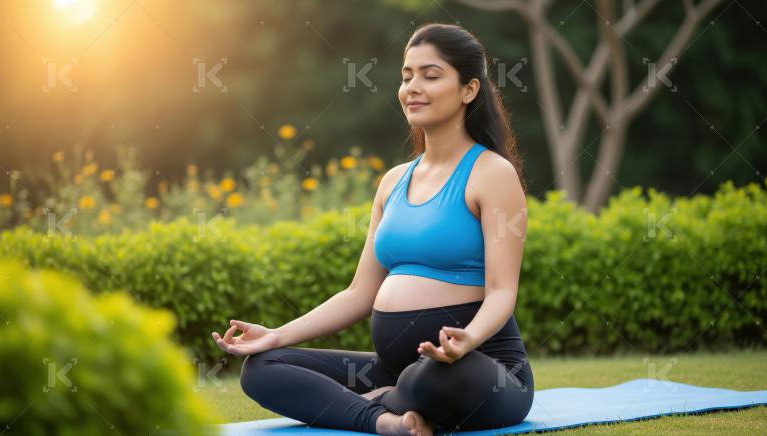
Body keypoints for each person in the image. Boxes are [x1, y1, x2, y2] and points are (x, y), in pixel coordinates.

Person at [212, 22, 533, 435]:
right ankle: (387, 419)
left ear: (469, 90)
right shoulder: (393, 181)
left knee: (429, 378)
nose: (413, 87)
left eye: (430, 76)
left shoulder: (492, 174)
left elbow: (503, 291)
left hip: (482, 368)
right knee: (262, 369)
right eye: (407, 76)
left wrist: (466, 341)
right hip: (394, 368)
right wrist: (276, 335)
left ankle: (372, 402)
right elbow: (360, 292)